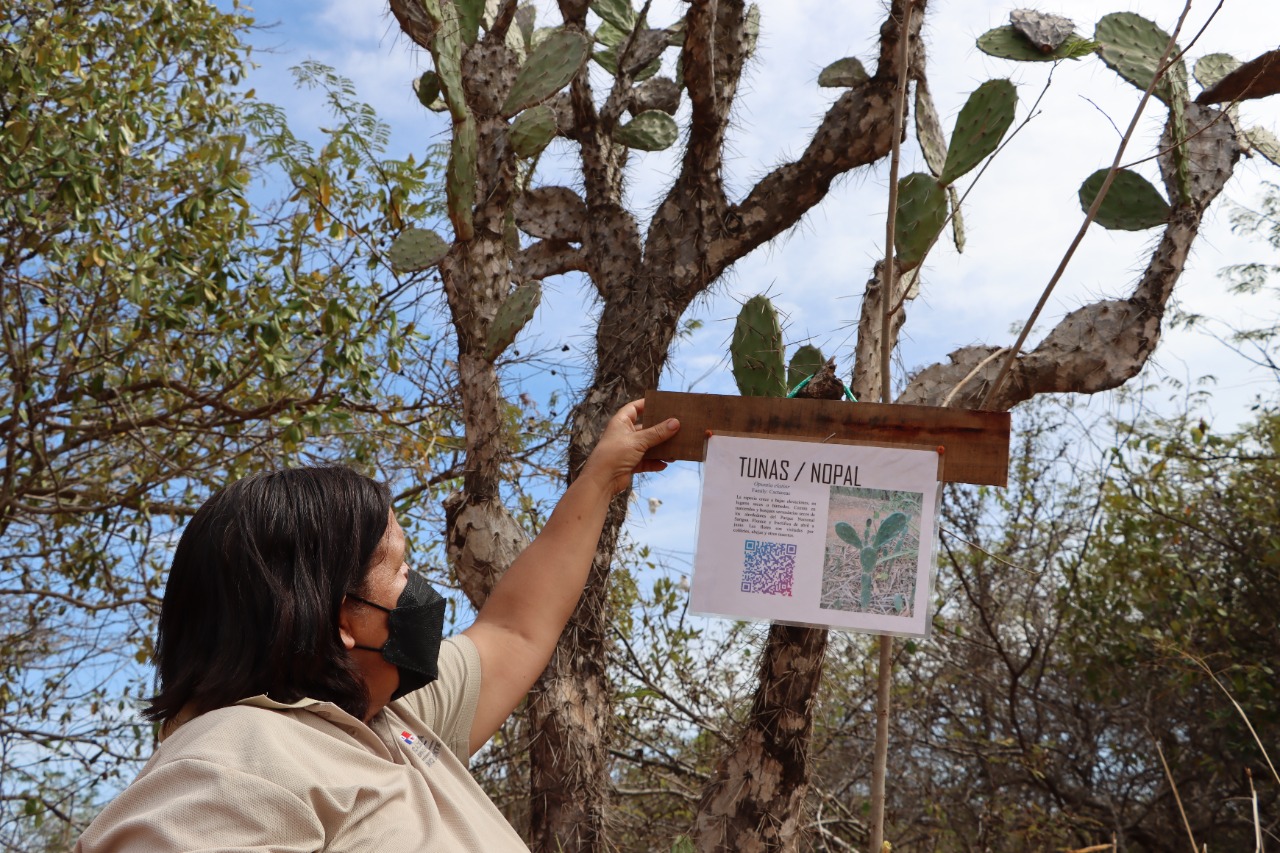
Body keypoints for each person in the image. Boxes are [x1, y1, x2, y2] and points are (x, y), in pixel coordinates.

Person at [77, 400, 679, 851]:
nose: (420, 590)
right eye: (400, 568)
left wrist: (601, 477)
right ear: (343, 616)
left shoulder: (392, 725)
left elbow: (516, 629)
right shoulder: (232, 759)